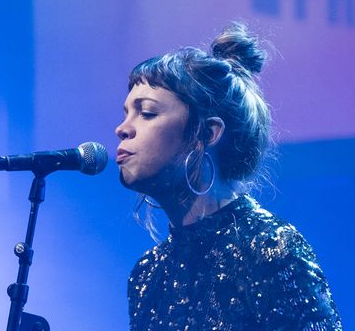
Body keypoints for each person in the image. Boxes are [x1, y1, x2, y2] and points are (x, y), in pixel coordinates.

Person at [115, 22, 341, 330]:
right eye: (126, 112)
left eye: (147, 113)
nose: (123, 128)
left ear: (207, 133)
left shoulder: (269, 248)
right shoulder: (148, 274)